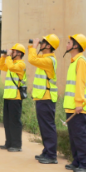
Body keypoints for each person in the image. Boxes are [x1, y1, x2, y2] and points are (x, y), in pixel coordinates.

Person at [63, 34, 86, 172]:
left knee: (80, 135)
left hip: (78, 107)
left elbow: (80, 84)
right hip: (71, 106)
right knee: (74, 135)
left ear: (76, 45)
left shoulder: (80, 61)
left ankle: (85, 165)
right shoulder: (74, 61)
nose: (67, 45)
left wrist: (79, 103)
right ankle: (77, 162)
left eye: (69, 43)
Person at [28, 35, 59, 164]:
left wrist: (33, 47)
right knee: (44, 126)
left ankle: (51, 155)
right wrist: (32, 47)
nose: (41, 43)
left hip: (46, 98)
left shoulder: (49, 60)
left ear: (49, 46)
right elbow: (34, 58)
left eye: (44, 42)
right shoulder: (45, 58)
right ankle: (47, 151)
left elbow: (32, 59)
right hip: (42, 97)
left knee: (48, 127)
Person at [0, 44, 27, 152]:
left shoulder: (20, 64)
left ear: (19, 53)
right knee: (7, 121)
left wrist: (8, 57)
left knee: (14, 122)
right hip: (8, 96)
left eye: (13, 51)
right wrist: (4, 56)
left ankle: (17, 145)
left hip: (16, 97)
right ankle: (9, 143)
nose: (11, 52)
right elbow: (0, 66)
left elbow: (10, 67)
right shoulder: (12, 64)